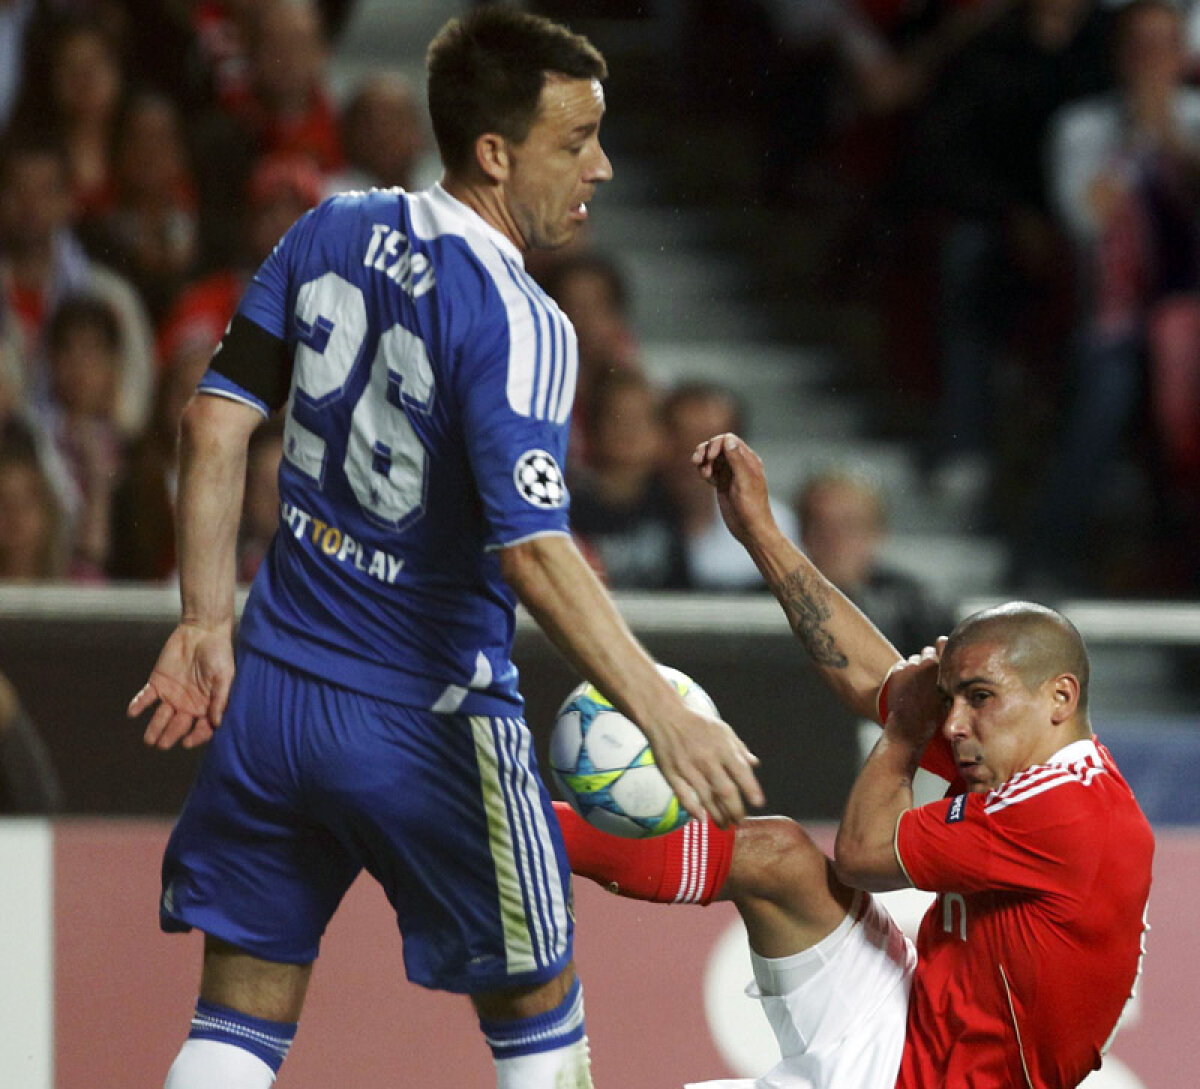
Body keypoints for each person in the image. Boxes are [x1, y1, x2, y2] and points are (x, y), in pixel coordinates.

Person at [125, 9, 762, 1089]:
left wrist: (202, 622)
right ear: (494, 151)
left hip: (275, 691)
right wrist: (662, 713)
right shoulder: (523, 320)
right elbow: (535, 552)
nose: (600, 167)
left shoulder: (326, 228)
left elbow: (214, 421)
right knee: (539, 1016)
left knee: (236, 1025)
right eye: (576, 141)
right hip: (430, 720)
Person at [557, 431, 1153, 1089]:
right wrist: (759, 530)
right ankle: (518, 831)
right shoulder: (1028, 751)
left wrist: (902, 738)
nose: (954, 722)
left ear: (1059, 696)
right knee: (780, 854)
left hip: (926, 1079)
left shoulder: (1061, 812)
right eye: (952, 698)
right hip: (917, 1020)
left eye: (978, 698)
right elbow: (871, 677)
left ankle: (507, 839)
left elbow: (865, 854)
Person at [795, 466, 953, 655]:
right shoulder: (764, 604)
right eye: (819, 524)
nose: (833, 539)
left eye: (849, 525)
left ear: (877, 533)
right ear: (801, 532)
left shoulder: (919, 609)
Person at [659, 381, 798, 590]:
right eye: (680, 439)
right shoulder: (621, 519)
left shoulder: (774, 525)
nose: (692, 457)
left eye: (709, 444)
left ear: (740, 451)